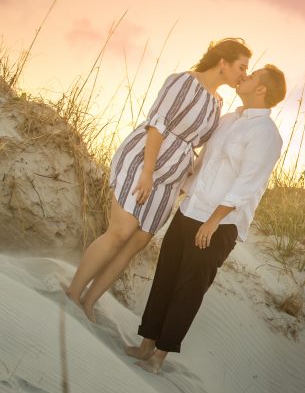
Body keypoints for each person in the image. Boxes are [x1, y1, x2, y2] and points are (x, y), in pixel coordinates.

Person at [65, 38, 252, 322]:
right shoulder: (183, 82)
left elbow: (198, 146)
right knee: (120, 232)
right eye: (241, 67)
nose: (244, 74)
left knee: (136, 242)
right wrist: (148, 173)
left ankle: (90, 301)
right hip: (144, 162)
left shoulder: (217, 103)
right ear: (223, 62)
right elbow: (158, 126)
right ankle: (73, 293)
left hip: (170, 181)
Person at [125, 64, 286, 374]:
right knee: (165, 277)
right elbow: (202, 163)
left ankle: (160, 355)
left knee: (188, 288)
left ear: (262, 90)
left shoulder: (266, 135)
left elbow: (248, 183)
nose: (245, 77)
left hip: (218, 224)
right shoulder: (227, 121)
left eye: (251, 77)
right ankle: (146, 344)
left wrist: (213, 221)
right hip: (190, 211)